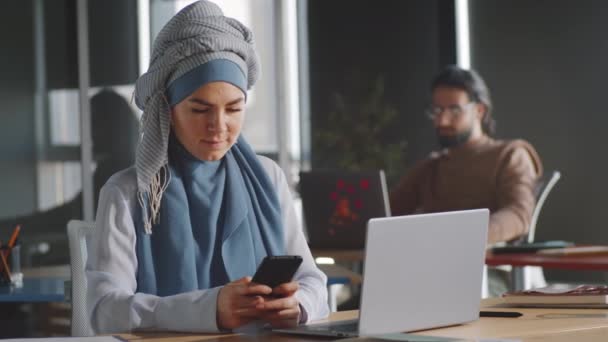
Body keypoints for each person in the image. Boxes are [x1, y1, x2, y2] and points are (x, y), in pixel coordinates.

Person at [86, 1, 329, 334]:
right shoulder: (130, 192)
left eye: (233, 109)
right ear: (168, 110)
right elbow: (104, 310)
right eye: (200, 110)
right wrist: (209, 309)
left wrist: (297, 305)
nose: (219, 126)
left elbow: (313, 282)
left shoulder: (268, 178)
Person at [390, 65, 543, 244]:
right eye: (437, 110)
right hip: (431, 261)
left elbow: (518, 215)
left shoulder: (509, 155)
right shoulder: (431, 167)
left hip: (485, 266)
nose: (443, 120)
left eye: (454, 110)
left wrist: (465, 239)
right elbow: (387, 212)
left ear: (479, 111)